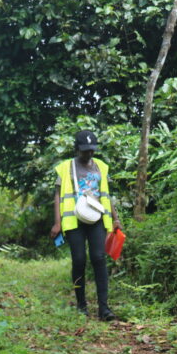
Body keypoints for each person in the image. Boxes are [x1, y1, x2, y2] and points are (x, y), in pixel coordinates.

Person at [49, 129, 122, 321]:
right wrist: (57, 222)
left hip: (97, 219)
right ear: (76, 149)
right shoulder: (66, 167)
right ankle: (81, 305)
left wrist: (115, 218)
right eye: (84, 150)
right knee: (79, 260)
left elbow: (106, 194)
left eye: (91, 150)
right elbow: (57, 195)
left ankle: (104, 309)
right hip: (74, 220)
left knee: (99, 258)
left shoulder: (101, 167)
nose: (88, 153)